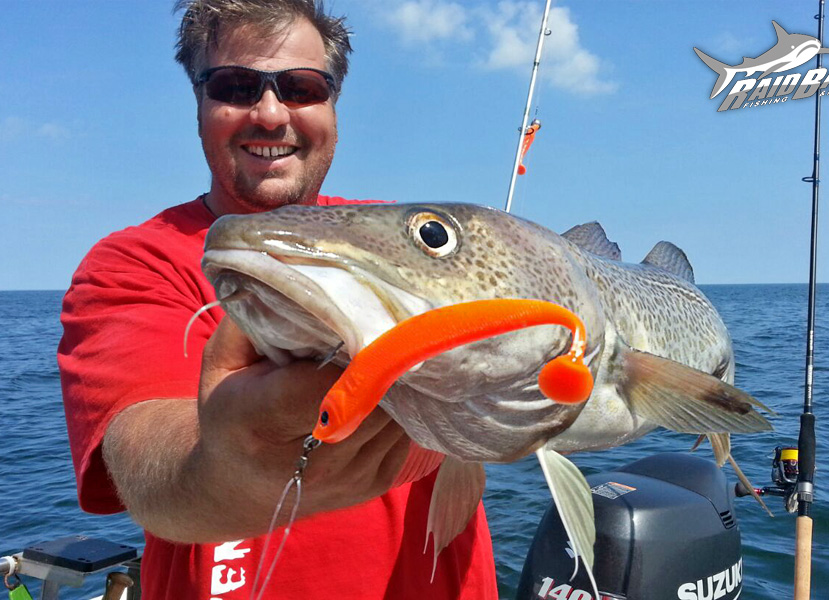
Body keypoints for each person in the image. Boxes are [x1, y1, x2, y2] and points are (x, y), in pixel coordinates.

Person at [57, 1, 498, 598]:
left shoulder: (408, 239)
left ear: (333, 104)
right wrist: (231, 466)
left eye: (301, 88)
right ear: (198, 103)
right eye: (236, 86)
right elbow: (147, 466)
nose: (270, 114)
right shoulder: (133, 264)